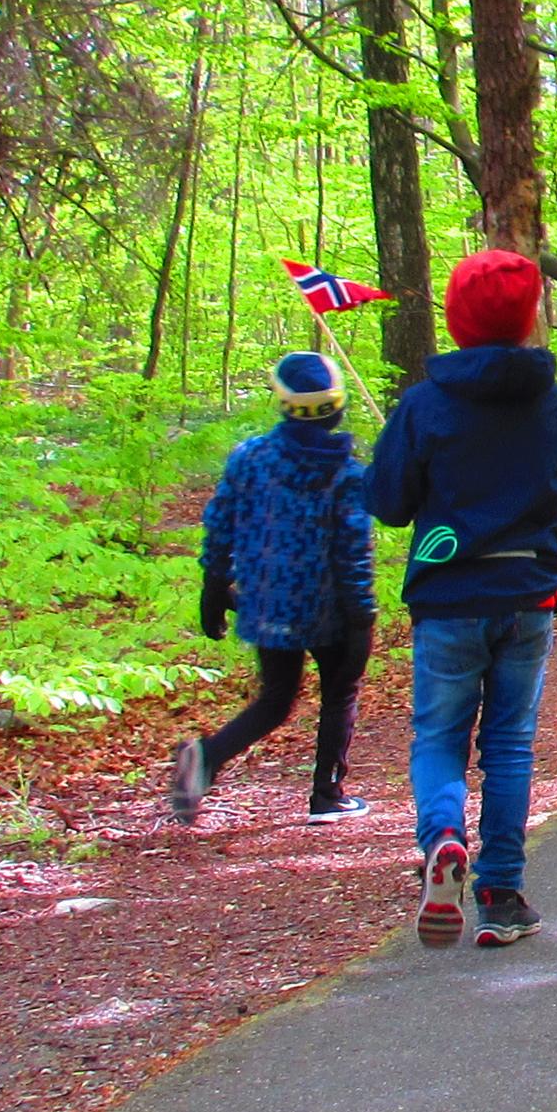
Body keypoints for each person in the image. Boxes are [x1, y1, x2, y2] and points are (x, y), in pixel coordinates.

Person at [365, 249, 557, 949]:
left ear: (456, 318)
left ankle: (445, 839)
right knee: (509, 745)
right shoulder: (553, 404)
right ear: (526, 319)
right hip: (525, 593)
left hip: (449, 598)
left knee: (440, 739)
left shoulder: (425, 405)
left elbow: (390, 503)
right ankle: (502, 893)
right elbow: (554, 493)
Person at [172, 352, 375, 828]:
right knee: (340, 691)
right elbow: (352, 552)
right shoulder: (347, 474)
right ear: (338, 407)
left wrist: (215, 583)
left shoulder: (249, 458)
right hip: (330, 610)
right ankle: (327, 795)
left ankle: (206, 755)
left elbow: (219, 522)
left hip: (267, 603)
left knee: (276, 699)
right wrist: (362, 617)